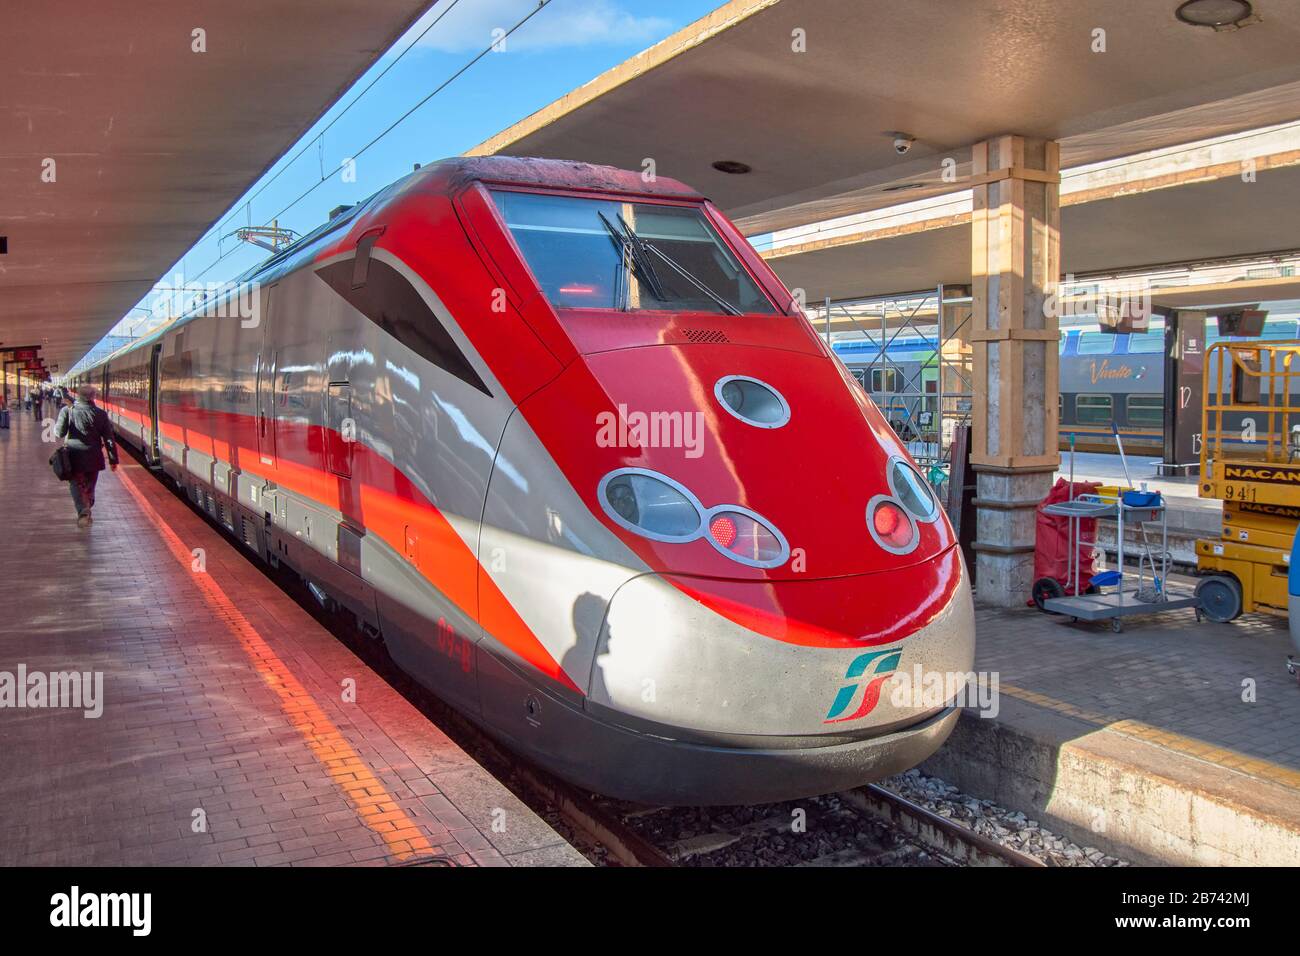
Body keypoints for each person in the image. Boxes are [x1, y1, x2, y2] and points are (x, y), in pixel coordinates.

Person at [54, 384, 118, 529]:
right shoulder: (101, 414)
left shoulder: (67, 411)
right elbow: (109, 438)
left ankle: (83, 511)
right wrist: (113, 460)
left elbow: (59, 433)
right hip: (94, 457)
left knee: (76, 485)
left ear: (78, 395)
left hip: (74, 457)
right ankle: (87, 506)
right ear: (93, 397)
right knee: (90, 485)